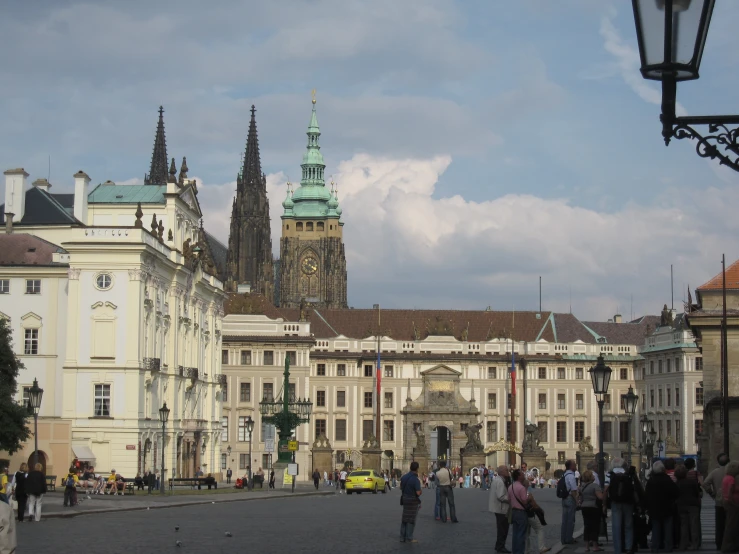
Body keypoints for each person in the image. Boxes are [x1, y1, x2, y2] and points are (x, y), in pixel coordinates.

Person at [645, 461, 679, 553]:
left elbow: (646, 495)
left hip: (654, 509)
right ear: (663, 469)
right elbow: (676, 492)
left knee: (656, 529)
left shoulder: (651, 481)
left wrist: (647, 507)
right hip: (667, 508)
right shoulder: (667, 479)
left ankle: (655, 547)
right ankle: (668, 547)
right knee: (668, 529)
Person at [604, 457, 637, 554]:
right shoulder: (629, 474)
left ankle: (617, 550)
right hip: (628, 502)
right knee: (628, 525)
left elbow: (606, 490)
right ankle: (628, 548)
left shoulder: (609, 475)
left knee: (616, 526)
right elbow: (634, 489)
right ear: (623, 465)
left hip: (615, 503)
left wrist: (604, 504)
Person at [704, 452, 730, 550]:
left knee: (719, 523)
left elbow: (706, 483)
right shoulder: (732, 472)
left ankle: (719, 543)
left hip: (719, 501)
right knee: (731, 523)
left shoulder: (715, 472)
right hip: (732, 502)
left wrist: (712, 493)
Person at [675, 465, 700, 550]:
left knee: (683, 526)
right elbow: (697, 493)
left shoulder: (677, 483)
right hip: (693, 505)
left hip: (681, 506)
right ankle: (695, 544)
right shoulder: (692, 482)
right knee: (694, 525)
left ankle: (683, 544)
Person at [579, 470, 603, 552]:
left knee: (587, 526)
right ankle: (595, 546)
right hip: (593, 507)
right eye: (592, 475)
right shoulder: (594, 486)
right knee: (594, 526)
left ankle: (586, 546)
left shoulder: (581, 487)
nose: (593, 476)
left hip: (584, 507)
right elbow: (600, 497)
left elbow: (580, 499)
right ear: (590, 477)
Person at [399, 462, 422, 543]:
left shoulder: (404, 477)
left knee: (405, 518)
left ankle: (402, 537)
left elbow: (401, 487)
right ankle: (409, 537)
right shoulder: (415, 479)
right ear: (417, 469)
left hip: (405, 499)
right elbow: (418, 493)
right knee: (411, 519)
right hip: (413, 500)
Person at [508, 469, 530, 554]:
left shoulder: (511, 486)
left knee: (515, 534)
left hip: (513, 512)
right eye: (522, 474)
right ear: (519, 476)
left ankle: (515, 551)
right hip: (521, 512)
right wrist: (529, 498)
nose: (524, 475)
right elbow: (524, 501)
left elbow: (509, 500)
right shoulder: (522, 488)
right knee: (521, 534)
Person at [491, 465, 511, 553]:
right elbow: (501, 496)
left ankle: (498, 545)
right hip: (501, 508)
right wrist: (511, 499)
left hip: (499, 508)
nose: (508, 472)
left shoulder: (500, 480)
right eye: (507, 470)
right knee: (503, 529)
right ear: (502, 472)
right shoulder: (499, 481)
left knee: (502, 528)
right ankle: (500, 546)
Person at [721, 460, 739, 552]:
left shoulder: (726, 477)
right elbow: (730, 491)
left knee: (730, 524)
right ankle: (729, 546)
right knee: (732, 525)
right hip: (732, 503)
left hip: (726, 502)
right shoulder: (732, 479)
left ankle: (729, 545)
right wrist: (734, 503)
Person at [560, 460, 578, 545]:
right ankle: (569, 539)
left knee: (564, 520)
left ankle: (563, 538)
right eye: (574, 465)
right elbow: (574, 490)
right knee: (570, 520)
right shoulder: (571, 475)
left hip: (564, 498)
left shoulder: (564, 474)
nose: (576, 466)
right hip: (570, 498)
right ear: (571, 466)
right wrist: (577, 501)